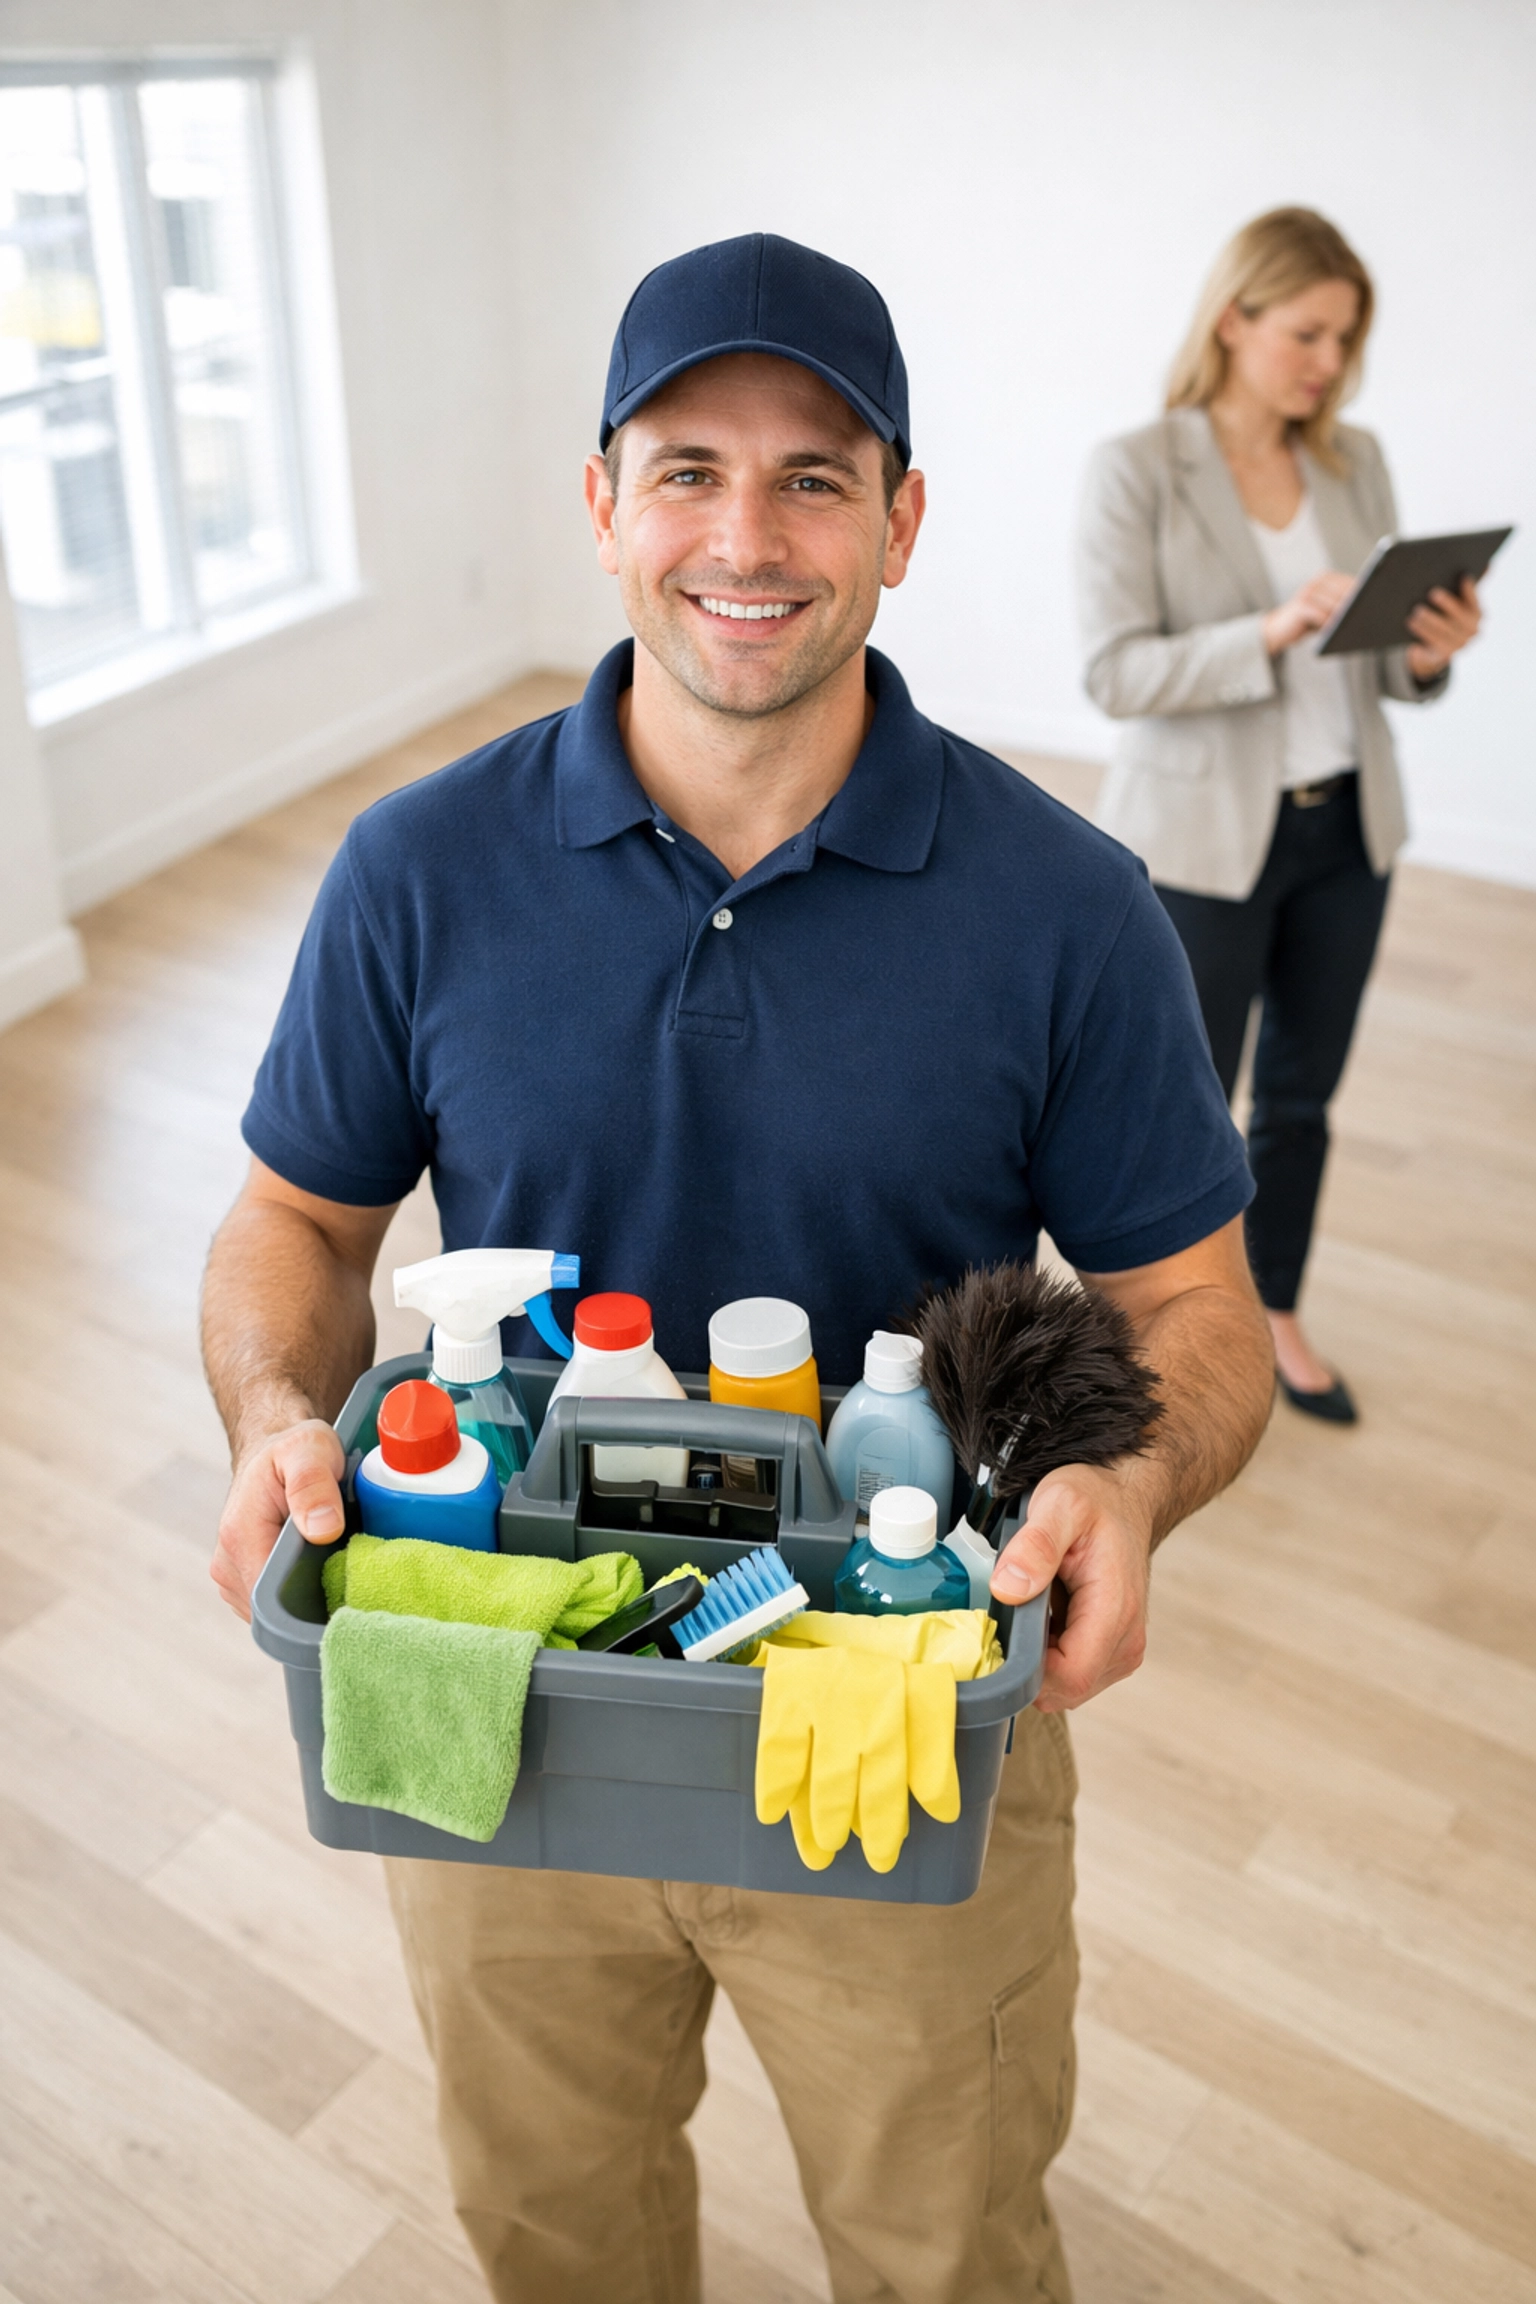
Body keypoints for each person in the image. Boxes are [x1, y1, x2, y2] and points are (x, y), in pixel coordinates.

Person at [204, 233, 1274, 2304]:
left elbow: (1192, 1305)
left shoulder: (1066, 911)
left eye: (813, 474)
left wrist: (1130, 1484)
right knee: (549, 2224)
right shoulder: (419, 871)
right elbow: (297, 1222)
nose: (746, 535)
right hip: (495, 1703)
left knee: (944, 2238)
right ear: (601, 504)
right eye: (687, 468)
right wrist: (270, 1416)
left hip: (893, 1701)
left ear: (902, 518)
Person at [1076, 207, 1482, 1423]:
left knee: (1301, 1096)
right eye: (1306, 332)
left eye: (1343, 341)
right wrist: (1265, 631)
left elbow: (1392, 673)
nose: (1326, 363)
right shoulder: (1139, 466)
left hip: (1345, 828)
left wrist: (1431, 651)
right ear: (1235, 317)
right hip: (1204, 842)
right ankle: (1149, 1339)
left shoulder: (1353, 461)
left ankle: (1279, 1309)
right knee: (1180, 1114)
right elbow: (1114, 674)